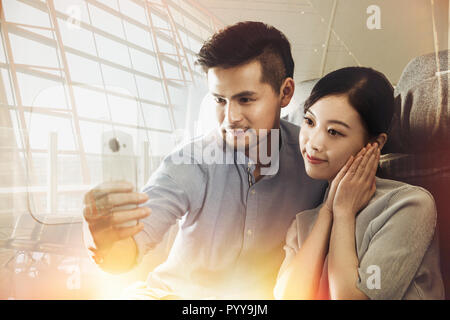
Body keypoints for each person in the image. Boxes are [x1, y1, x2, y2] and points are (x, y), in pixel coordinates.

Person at [82, 21, 328, 299]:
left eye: (245, 99)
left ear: (285, 93)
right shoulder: (189, 162)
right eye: (220, 100)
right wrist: (102, 239)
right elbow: (124, 256)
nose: (230, 118)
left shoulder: (314, 157)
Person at [273, 67, 445, 300]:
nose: (313, 143)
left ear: (375, 143)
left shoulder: (409, 205)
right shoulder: (304, 220)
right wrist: (327, 212)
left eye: (334, 132)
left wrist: (344, 213)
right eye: (310, 121)